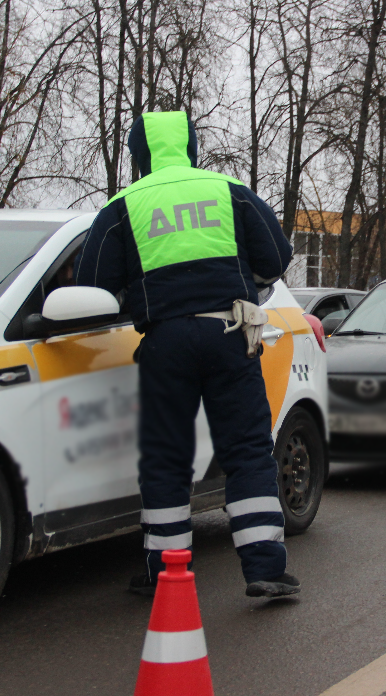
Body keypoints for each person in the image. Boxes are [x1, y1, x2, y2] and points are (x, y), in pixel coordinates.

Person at [74, 111, 297, 598]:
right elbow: (277, 258)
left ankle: (166, 574)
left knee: (166, 457)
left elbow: (91, 288)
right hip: (229, 332)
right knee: (246, 451)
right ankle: (265, 570)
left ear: (138, 156)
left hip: (166, 342)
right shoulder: (228, 189)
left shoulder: (122, 206)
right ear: (192, 147)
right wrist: (245, 285)